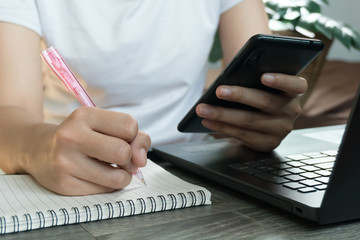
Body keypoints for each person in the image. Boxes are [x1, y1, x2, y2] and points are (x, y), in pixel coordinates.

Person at [0, 0, 307, 196]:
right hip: (75, 171)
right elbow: (10, 112)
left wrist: (263, 119)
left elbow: (256, 80)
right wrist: (40, 148)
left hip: (191, 172)